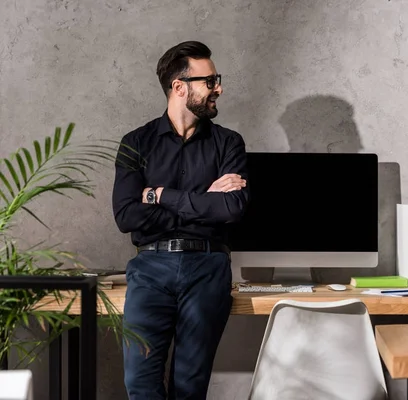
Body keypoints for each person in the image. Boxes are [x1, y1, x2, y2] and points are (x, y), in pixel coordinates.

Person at [112, 40, 249, 400]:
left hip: (208, 266)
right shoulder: (136, 143)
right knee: (140, 383)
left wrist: (159, 195)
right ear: (179, 87)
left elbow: (232, 209)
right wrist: (204, 199)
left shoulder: (228, 143)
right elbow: (126, 215)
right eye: (210, 80)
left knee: (190, 386)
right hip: (150, 268)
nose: (218, 87)